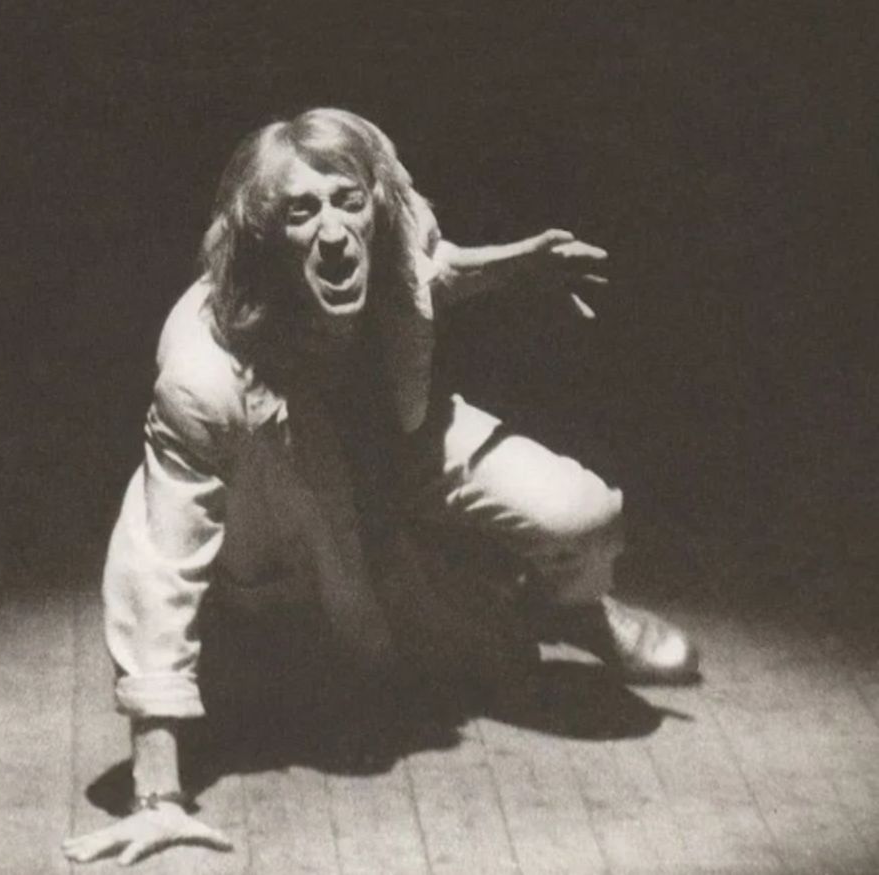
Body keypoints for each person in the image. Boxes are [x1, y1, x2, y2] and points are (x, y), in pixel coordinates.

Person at [62, 107, 699, 867]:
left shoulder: (394, 224)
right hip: (284, 489)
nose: (334, 233)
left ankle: (576, 608)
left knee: (582, 516)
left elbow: (422, 272)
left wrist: (510, 268)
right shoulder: (203, 375)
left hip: (397, 442)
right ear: (262, 235)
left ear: (377, 203)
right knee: (381, 667)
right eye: (301, 212)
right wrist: (157, 793)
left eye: (347, 201)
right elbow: (156, 559)